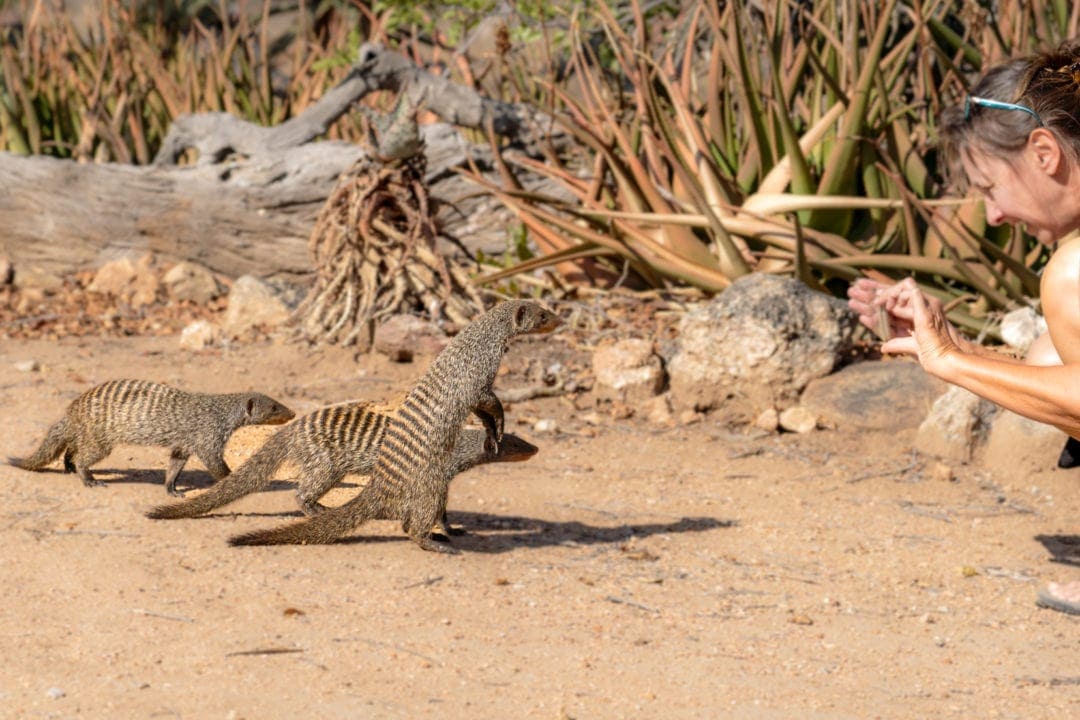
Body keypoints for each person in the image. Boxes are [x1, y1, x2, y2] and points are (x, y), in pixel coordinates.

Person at [847, 44, 1080, 616]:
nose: (994, 215)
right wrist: (954, 345)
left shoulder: (1073, 270)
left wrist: (949, 361)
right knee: (1050, 353)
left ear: (1044, 152)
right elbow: (1059, 382)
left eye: (989, 187)